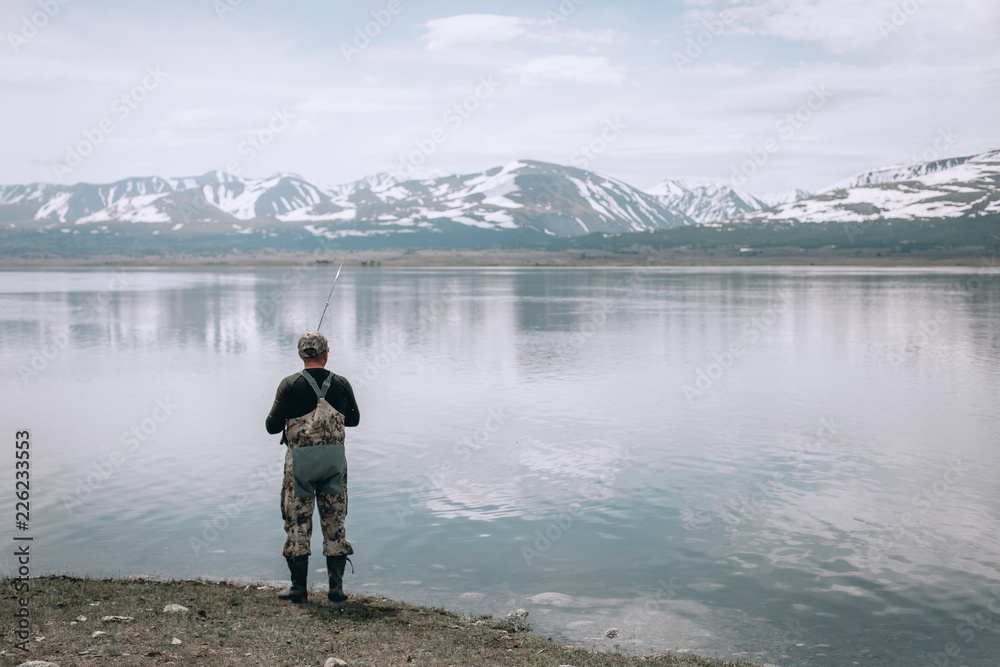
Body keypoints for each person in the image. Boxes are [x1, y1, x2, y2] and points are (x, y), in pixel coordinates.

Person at [265, 331, 360, 603]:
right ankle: (336, 590)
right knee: (335, 522)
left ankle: (298, 589)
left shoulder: (289, 384)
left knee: (297, 522)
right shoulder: (341, 383)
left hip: (300, 468)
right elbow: (353, 420)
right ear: (326, 354)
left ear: (300, 354)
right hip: (333, 464)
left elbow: (272, 427)